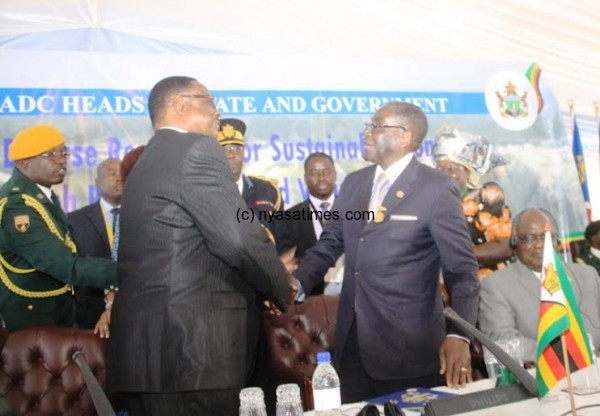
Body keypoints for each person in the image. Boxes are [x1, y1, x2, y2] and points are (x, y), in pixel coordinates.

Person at [107, 76, 291, 416]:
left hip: (149, 355)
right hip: (195, 351)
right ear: (180, 104)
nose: (217, 111)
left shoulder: (147, 161)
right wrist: (280, 287)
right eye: (210, 101)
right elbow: (239, 239)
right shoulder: (196, 149)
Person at [294, 102, 480, 403]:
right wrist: (298, 282)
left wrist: (459, 334)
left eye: (376, 126)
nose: (366, 133)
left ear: (404, 136)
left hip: (409, 349)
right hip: (352, 345)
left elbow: (462, 272)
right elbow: (331, 242)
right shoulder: (355, 184)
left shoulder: (436, 189)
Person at [0, 125, 118, 331]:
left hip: (55, 314)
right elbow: (64, 266)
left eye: (63, 153)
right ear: (24, 161)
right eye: (51, 155)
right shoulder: (17, 206)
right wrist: (126, 271)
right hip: (31, 324)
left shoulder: (42, 195)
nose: (61, 160)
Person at [479, 208, 600, 363]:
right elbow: (503, 341)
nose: (539, 244)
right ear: (515, 242)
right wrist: (562, 355)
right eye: (530, 238)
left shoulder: (587, 274)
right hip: (546, 374)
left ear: (557, 240)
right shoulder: (496, 285)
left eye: (546, 237)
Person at [432, 126, 512, 280]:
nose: (447, 174)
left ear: (468, 172)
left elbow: (505, 247)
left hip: (486, 284)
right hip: (444, 288)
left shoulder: (486, 196)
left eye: (453, 168)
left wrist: (455, 255)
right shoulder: (431, 200)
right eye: (440, 168)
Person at [217, 118, 292, 254]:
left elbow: (283, 243)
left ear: (244, 152)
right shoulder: (203, 193)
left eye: (237, 149)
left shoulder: (269, 192)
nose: (231, 155)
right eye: (224, 149)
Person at [68, 157, 123, 328]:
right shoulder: (75, 220)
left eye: (123, 173)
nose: (119, 177)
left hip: (133, 307)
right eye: (112, 173)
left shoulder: (143, 217)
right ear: (97, 182)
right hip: (89, 312)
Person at [287, 152, 344, 295]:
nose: (321, 177)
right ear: (306, 178)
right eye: (315, 173)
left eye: (326, 171)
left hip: (351, 295)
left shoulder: (354, 211)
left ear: (335, 175)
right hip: (311, 297)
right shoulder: (288, 218)